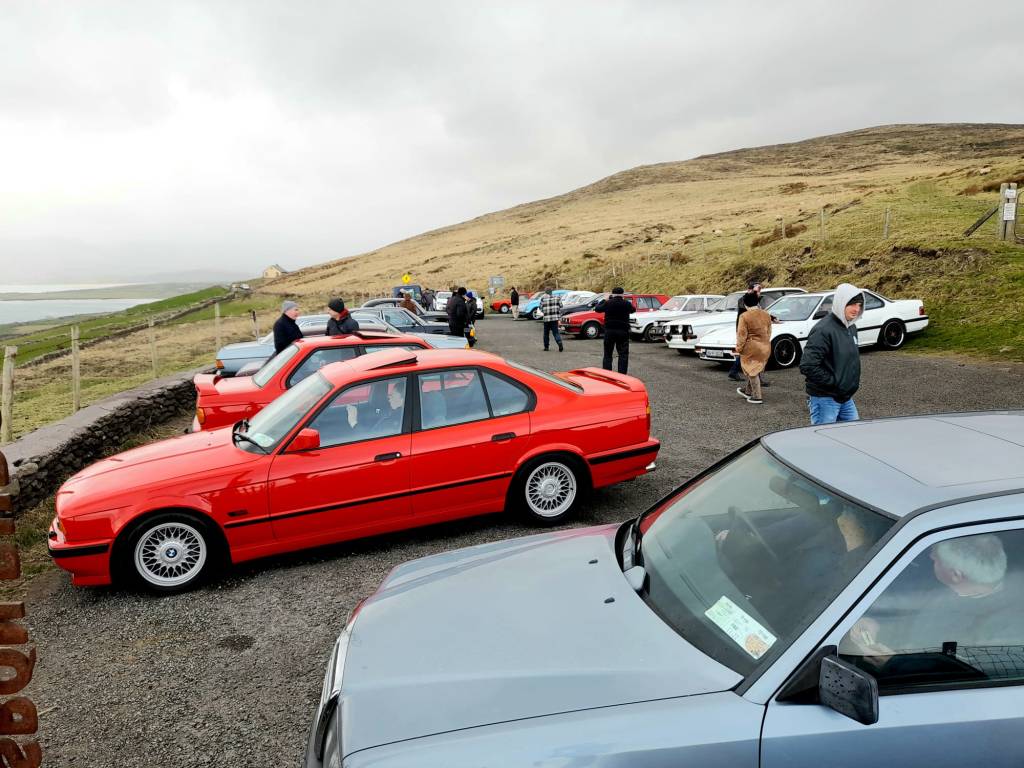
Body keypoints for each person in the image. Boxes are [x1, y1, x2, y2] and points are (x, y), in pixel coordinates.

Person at [842, 534, 1015, 664]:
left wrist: (895, 665)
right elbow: (910, 613)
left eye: (937, 559)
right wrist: (876, 622)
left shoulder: (1004, 630)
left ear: (956, 575)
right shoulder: (939, 586)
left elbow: (964, 680)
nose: (931, 557)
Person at [799, 283, 863, 425]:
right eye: (852, 304)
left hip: (845, 397)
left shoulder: (851, 327)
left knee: (854, 434)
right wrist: (834, 382)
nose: (856, 309)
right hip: (825, 398)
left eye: (859, 305)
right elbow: (807, 365)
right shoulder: (823, 330)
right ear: (841, 303)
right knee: (824, 437)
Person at [734, 291, 772, 404]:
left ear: (745, 304)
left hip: (751, 347)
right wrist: (765, 342)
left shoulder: (744, 316)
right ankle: (748, 391)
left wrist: (739, 348)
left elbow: (741, 335)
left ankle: (757, 396)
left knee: (752, 370)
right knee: (755, 368)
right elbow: (769, 331)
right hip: (765, 346)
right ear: (757, 302)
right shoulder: (766, 314)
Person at [728, 283, 764, 383]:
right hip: (745, 330)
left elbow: (760, 312)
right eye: (757, 290)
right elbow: (750, 312)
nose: (758, 292)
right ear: (749, 290)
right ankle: (756, 378)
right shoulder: (743, 300)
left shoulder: (755, 300)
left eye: (759, 291)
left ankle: (734, 371)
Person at [596, 287, 634, 372]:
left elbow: (597, 309)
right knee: (623, 354)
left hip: (609, 331)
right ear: (622, 294)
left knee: (608, 354)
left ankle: (607, 374)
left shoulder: (608, 303)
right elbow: (633, 310)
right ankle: (622, 374)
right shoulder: (626, 303)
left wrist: (604, 299)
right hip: (623, 331)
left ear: (612, 294)